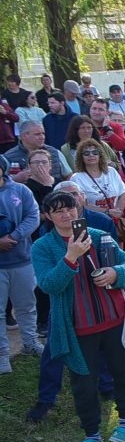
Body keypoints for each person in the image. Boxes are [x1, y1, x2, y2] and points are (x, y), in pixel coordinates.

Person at [31, 190, 125, 442]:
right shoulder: (42, 247)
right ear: (48, 216)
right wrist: (70, 257)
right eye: (58, 211)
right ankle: (92, 434)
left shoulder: (99, 236)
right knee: (83, 384)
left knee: (122, 372)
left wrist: (115, 273)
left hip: (114, 321)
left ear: (78, 209)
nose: (66, 215)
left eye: (70, 208)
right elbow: (48, 285)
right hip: (77, 329)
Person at [0, 154, 43, 373]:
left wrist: (14, 236)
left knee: (26, 306)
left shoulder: (21, 190)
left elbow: (33, 216)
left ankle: (30, 343)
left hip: (22, 260)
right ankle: (2, 354)